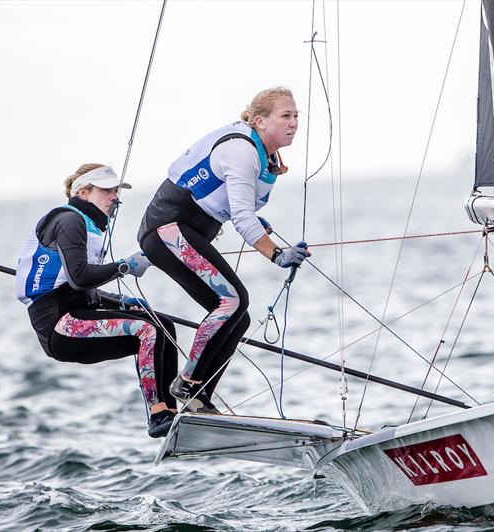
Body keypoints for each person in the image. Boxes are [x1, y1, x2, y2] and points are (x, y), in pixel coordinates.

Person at [138, 86, 310, 413]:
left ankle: (198, 398)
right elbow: (243, 217)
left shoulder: (266, 156)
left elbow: (233, 205)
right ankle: (186, 384)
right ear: (259, 120)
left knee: (238, 317)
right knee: (232, 300)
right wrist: (277, 254)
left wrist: (258, 224)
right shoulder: (243, 150)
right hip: (167, 228)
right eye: (285, 115)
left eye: (296, 116)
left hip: (186, 229)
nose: (294, 123)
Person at [16, 163, 178, 438]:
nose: (115, 197)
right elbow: (80, 278)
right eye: (107, 190)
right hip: (59, 326)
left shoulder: (87, 225)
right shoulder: (69, 220)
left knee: (163, 325)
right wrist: (124, 266)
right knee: (146, 331)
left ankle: (172, 412)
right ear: (83, 191)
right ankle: (157, 414)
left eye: (116, 191)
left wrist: (121, 301)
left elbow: (78, 289)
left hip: (75, 312)